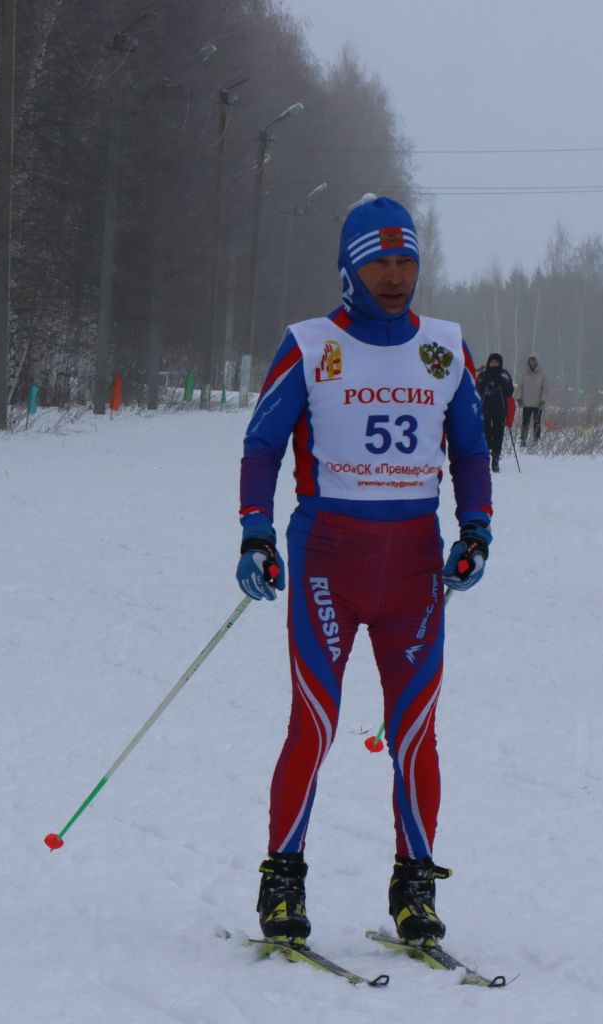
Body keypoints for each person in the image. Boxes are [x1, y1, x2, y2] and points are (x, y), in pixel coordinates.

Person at [233, 193, 493, 946]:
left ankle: (415, 887)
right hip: (327, 562)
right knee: (314, 723)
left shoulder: (445, 346)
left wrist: (475, 528)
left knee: (416, 731)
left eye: (406, 259)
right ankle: (283, 878)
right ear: (350, 265)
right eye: (378, 260)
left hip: (413, 565)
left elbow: (472, 449)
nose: (394, 275)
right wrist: (256, 533)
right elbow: (261, 445)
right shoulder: (311, 344)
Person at [476, 353, 515, 472]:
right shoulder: (483, 375)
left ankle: (496, 459)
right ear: (488, 362)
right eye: (492, 362)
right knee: (486, 433)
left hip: (500, 409)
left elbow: (509, 391)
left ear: (500, 363)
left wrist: (501, 382)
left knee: (498, 434)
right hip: (485, 408)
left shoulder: (504, 374)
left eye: (496, 362)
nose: (494, 364)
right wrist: (485, 386)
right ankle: (488, 449)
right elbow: (477, 390)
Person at [517, 355, 548, 447]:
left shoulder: (542, 374)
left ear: (537, 362)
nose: (532, 362)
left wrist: (543, 400)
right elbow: (519, 386)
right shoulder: (524, 374)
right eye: (531, 361)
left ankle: (536, 440)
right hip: (526, 402)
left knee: (537, 422)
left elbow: (546, 388)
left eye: (534, 361)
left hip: (538, 403)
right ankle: (523, 439)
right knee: (525, 421)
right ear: (529, 362)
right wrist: (519, 398)